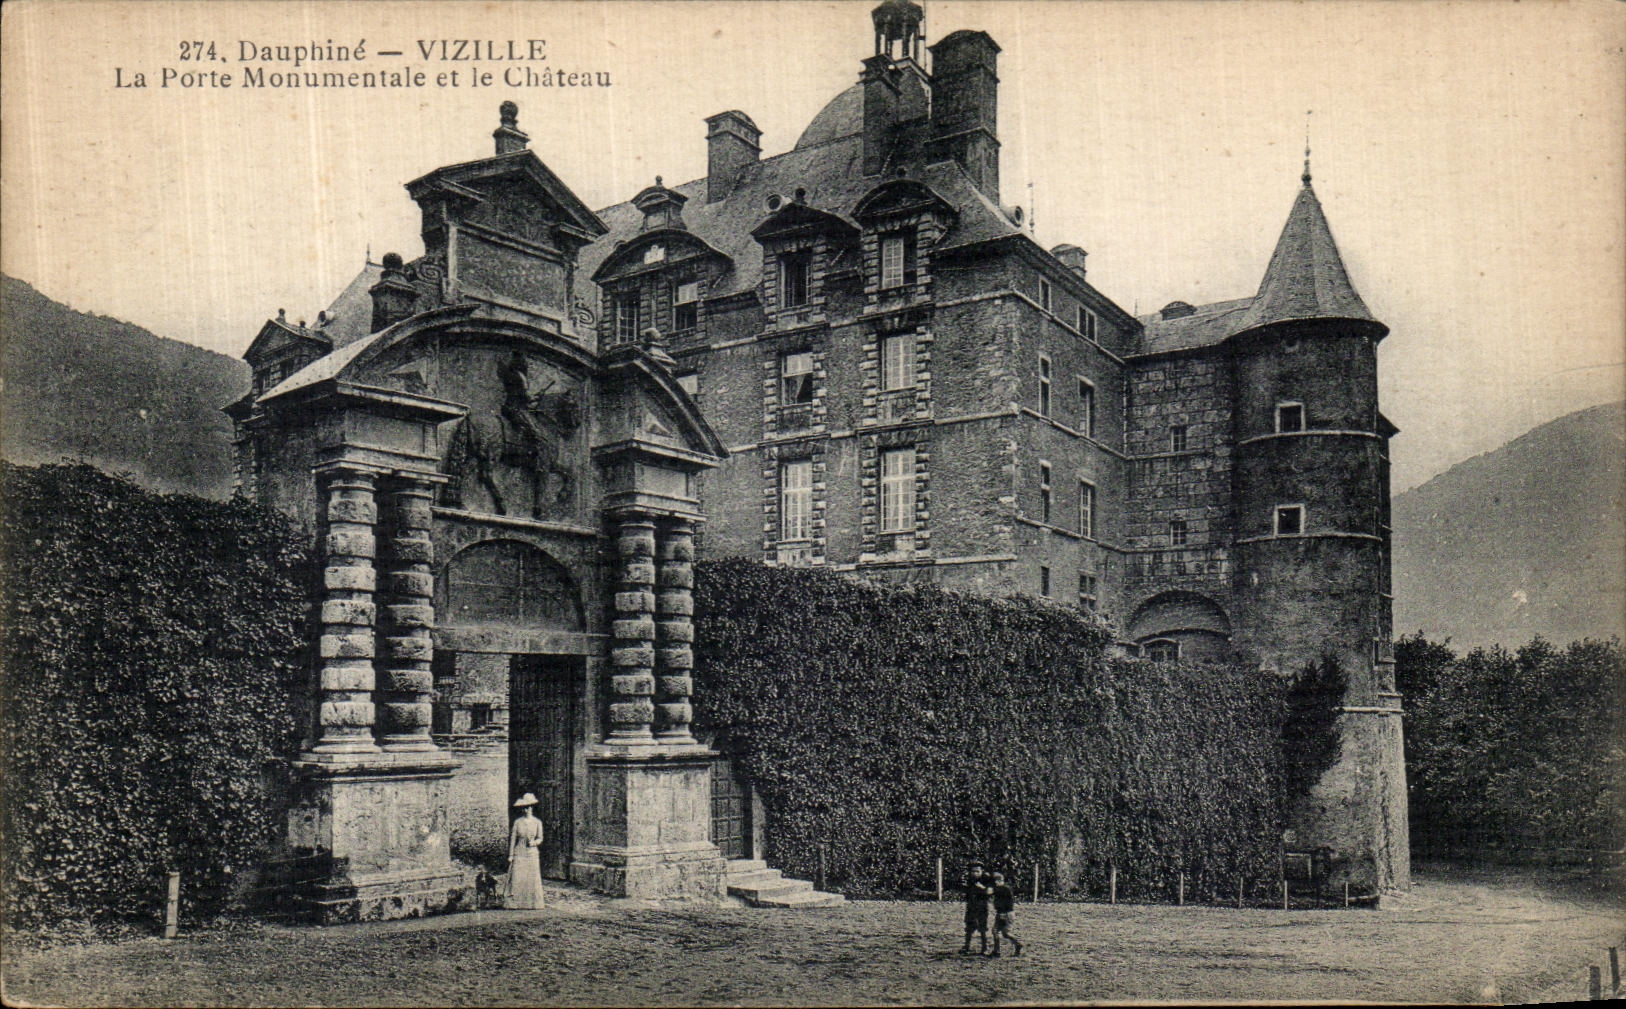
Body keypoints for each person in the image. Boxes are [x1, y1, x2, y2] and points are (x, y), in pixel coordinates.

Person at [505, 793, 545, 909]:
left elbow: (540, 838)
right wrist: (511, 855)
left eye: (529, 807)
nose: (527, 809)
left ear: (532, 807)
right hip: (520, 852)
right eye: (525, 807)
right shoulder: (518, 822)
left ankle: (532, 904)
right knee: (518, 877)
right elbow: (513, 839)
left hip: (532, 853)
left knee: (532, 878)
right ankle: (517, 903)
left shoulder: (537, 822)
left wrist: (535, 842)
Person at [959, 860, 992, 955]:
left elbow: (990, 892)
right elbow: (967, 892)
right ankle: (966, 946)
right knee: (969, 927)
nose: (975, 873)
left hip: (982, 907)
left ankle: (985, 947)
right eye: (973, 871)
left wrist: (982, 888)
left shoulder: (986, 880)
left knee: (982, 928)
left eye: (977, 871)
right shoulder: (970, 880)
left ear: (982, 871)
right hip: (971, 907)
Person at [989, 871, 1023, 957]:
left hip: (1006, 914)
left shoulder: (1005, 889)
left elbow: (993, 892)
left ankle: (1017, 944)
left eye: (995, 881)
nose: (995, 884)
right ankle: (997, 950)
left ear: (999, 881)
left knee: (1003, 932)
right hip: (1003, 913)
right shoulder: (1001, 889)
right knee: (998, 932)